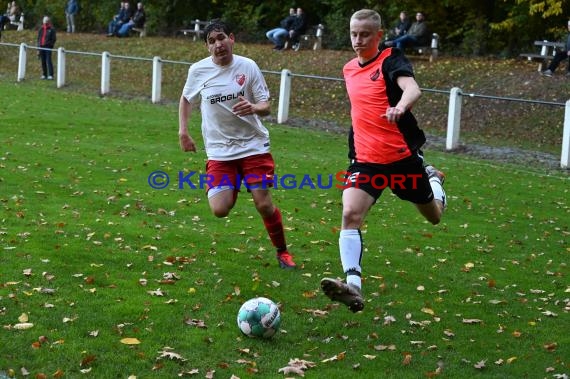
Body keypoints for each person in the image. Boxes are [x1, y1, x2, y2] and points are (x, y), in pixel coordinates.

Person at [320, 9, 447, 312]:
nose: (358, 40)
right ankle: (353, 286)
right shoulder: (349, 68)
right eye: (353, 34)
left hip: (402, 159)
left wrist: (401, 107)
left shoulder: (391, 59)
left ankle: (434, 181)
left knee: (433, 215)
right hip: (366, 160)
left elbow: (412, 88)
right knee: (350, 213)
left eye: (365, 34)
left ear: (378, 35)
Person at [178, 19, 297, 269]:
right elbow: (186, 99)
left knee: (263, 204)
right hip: (220, 151)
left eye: (221, 38)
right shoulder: (198, 71)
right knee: (220, 209)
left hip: (253, 145)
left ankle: (283, 252)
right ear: (207, 47)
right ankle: (232, 183)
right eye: (212, 41)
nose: (218, 44)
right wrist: (183, 132)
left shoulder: (248, 66)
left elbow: (265, 107)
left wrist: (253, 107)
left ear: (231, 38)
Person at [37, 15, 56, 80]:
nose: (45, 23)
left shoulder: (52, 29)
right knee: (43, 61)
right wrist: (38, 48)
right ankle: (44, 74)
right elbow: (39, 39)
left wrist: (50, 45)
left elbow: (53, 39)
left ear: (48, 21)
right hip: (41, 47)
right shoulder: (41, 29)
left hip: (48, 47)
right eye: (44, 21)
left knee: (48, 61)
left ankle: (51, 75)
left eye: (47, 21)